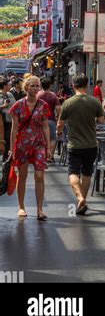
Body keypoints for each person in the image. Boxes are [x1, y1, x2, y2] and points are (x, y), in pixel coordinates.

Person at [57, 74, 105, 215]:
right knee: (87, 173)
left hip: (74, 145)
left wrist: (59, 132)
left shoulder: (68, 103)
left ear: (73, 85)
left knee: (73, 173)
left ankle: (80, 198)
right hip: (91, 144)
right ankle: (83, 202)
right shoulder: (95, 102)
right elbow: (102, 122)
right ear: (87, 85)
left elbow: (60, 123)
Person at [9, 75, 50, 220]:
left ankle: (39, 209)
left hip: (38, 142)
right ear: (26, 87)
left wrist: (48, 147)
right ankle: (21, 207)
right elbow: (14, 129)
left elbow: (45, 127)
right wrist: (12, 148)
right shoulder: (18, 106)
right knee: (23, 176)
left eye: (37, 86)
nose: (35, 88)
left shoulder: (43, 105)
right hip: (22, 144)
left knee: (39, 175)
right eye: (32, 85)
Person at [37, 78, 60, 162]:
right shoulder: (53, 96)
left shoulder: (37, 95)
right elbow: (58, 108)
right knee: (53, 138)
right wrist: (57, 117)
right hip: (51, 119)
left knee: (41, 138)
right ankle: (50, 156)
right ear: (50, 85)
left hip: (38, 120)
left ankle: (41, 155)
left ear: (41, 85)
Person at [0, 77, 16, 160]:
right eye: (9, 84)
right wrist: (4, 106)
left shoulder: (10, 94)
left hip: (9, 121)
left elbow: (15, 104)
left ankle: (6, 157)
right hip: (1, 122)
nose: (10, 86)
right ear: (4, 86)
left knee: (8, 139)